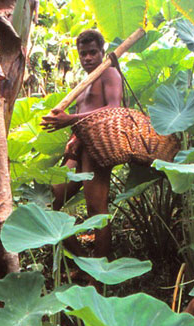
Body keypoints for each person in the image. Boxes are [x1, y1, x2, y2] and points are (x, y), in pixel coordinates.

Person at [41, 29, 123, 258]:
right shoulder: (84, 83)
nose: (87, 58)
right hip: (79, 150)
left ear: (102, 51)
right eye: (83, 54)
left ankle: (100, 276)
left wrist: (70, 120)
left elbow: (114, 109)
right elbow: (81, 115)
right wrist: (72, 139)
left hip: (98, 148)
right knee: (50, 202)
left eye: (93, 53)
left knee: (96, 210)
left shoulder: (110, 75)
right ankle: (80, 261)